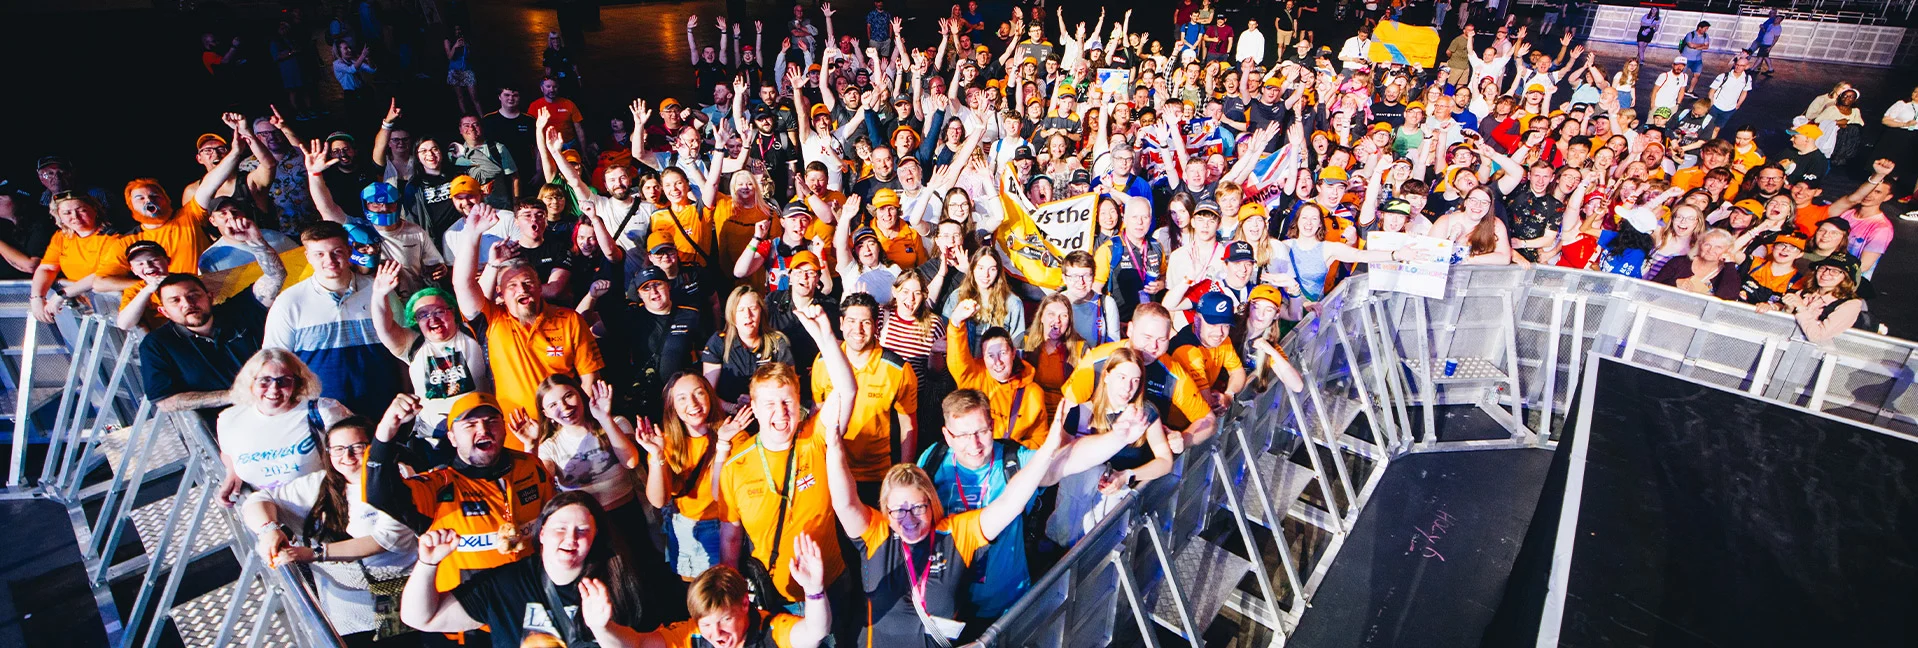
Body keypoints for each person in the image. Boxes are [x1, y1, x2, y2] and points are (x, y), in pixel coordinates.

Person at [823, 388, 1064, 646]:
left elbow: (1010, 503)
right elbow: (844, 502)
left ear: (932, 502)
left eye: (918, 507)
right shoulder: (877, 534)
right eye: (898, 510)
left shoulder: (955, 534)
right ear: (886, 510)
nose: (909, 519)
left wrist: (1049, 448)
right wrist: (834, 440)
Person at [719, 303, 855, 610]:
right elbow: (730, 539)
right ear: (753, 408)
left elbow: (846, 391)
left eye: (787, 401)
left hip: (832, 582)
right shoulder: (735, 465)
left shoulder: (815, 436)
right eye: (769, 404)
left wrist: (825, 336)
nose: (780, 413)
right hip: (778, 596)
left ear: (799, 401)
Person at [240, 417, 420, 647]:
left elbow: (386, 539)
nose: (347, 457)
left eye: (357, 447)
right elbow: (259, 500)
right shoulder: (317, 484)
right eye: (338, 449)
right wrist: (269, 530)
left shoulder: (400, 476)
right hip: (346, 609)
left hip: (397, 595)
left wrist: (313, 553)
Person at [399, 492, 652, 646]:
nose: (570, 538)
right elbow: (420, 618)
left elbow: (635, 646)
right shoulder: (504, 583)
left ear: (596, 537)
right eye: (560, 528)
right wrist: (427, 564)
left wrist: (603, 628)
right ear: (542, 533)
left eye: (583, 530)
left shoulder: (612, 582)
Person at [366, 392, 557, 593]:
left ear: (503, 428)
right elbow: (380, 494)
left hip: (532, 598)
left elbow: (553, 523)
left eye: (492, 421)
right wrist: (386, 431)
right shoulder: (439, 486)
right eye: (470, 424)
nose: (483, 429)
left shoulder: (531, 467)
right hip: (472, 614)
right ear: (452, 438)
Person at [450, 205, 605, 432]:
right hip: (518, 437)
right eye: (511, 286)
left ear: (539, 287)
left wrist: (584, 429)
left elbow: (589, 380)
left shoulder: (569, 320)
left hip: (569, 432)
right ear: (500, 294)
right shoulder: (492, 320)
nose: (521, 289)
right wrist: (473, 235)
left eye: (527, 282)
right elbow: (463, 285)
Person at [263, 221, 407, 418]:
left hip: (383, 411)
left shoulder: (381, 291)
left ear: (349, 251)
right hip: (319, 417)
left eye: (336, 251)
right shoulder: (289, 302)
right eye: (319, 254)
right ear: (308, 257)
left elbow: (404, 350)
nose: (329, 260)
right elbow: (275, 364)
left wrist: (408, 395)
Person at [633, 373, 756, 580]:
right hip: (684, 526)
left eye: (699, 393)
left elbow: (724, 496)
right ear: (672, 406)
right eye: (681, 398)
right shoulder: (666, 442)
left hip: (724, 528)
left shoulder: (736, 436)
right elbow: (658, 500)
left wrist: (724, 444)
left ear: (710, 397)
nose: (692, 403)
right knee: (693, 592)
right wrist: (657, 455)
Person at [813, 293, 918, 504]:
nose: (858, 329)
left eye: (865, 322)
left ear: (876, 326)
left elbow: (909, 425)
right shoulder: (823, 362)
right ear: (841, 324)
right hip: (834, 470)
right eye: (851, 321)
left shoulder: (898, 368)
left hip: (879, 476)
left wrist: (902, 475)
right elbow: (818, 413)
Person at [215, 349, 353, 503]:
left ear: (298, 383)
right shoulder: (230, 419)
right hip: (266, 513)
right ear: (250, 382)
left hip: (323, 507)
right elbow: (228, 453)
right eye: (265, 380)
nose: (274, 388)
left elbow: (357, 454)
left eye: (284, 381)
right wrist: (233, 473)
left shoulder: (324, 412)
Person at [1779, 257, 1864, 346]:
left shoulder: (1850, 305)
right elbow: (1781, 326)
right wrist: (1788, 309)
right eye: (1822, 268)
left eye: (1835, 271)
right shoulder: (1803, 293)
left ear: (1846, 278)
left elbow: (1817, 337)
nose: (1825, 273)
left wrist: (1801, 308)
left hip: (1816, 355)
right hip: (1784, 345)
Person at [1651, 227, 1741, 300]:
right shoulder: (1679, 262)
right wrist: (1675, 283)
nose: (1711, 250)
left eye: (1718, 247)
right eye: (1707, 244)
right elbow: (1651, 287)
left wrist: (1730, 265)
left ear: (1728, 250)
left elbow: (1728, 298)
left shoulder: (1729, 274)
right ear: (1700, 245)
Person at [1750, 10, 1783, 75]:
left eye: (1778, 19)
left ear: (1780, 21)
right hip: (1763, 42)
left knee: (1760, 57)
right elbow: (1766, 32)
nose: (1776, 19)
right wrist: (1762, 28)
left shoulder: (1778, 28)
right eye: (1776, 18)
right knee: (1765, 57)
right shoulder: (1771, 25)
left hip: (1767, 44)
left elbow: (1776, 38)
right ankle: (1770, 69)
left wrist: (1770, 47)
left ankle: (1752, 69)